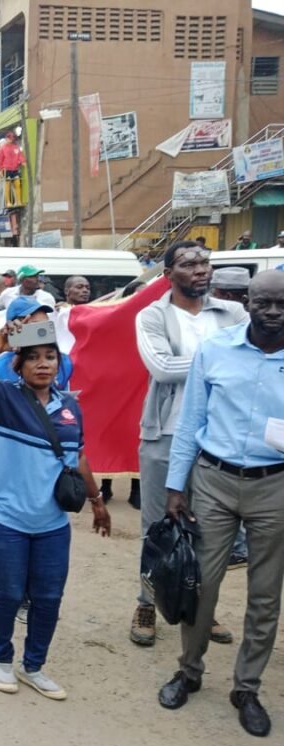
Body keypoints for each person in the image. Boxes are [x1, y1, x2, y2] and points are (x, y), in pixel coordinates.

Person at [156, 270, 284, 738]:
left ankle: (246, 688)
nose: (273, 312)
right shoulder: (216, 349)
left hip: (275, 486)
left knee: (265, 595)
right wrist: (176, 488)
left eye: (281, 304)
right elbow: (190, 422)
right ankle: (189, 671)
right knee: (200, 583)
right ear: (245, 303)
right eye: (264, 302)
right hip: (213, 480)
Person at [0, 311, 111, 701]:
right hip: (1, 520)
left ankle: (34, 666)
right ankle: (2, 659)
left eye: (50, 356)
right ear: (19, 365)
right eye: (34, 357)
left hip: (51, 526)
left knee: (48, 599)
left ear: (59, 363)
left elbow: (77, 458)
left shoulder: (69, 408)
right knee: (9, 594)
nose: (43, 364)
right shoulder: (3, 397)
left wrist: (97, 502)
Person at [131, 241, 247, 647]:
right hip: (165, 432)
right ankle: (148, 602)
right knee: (158, 526)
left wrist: (218, 362)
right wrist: (223, 360)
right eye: (187, 263)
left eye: (204, 262)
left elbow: (251, 360)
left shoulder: (233, 313)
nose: (199, 269)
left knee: (209, 531)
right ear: (168, 274)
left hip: (219, 438)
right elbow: (161, 368)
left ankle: (202, 609)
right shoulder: (152, 315)